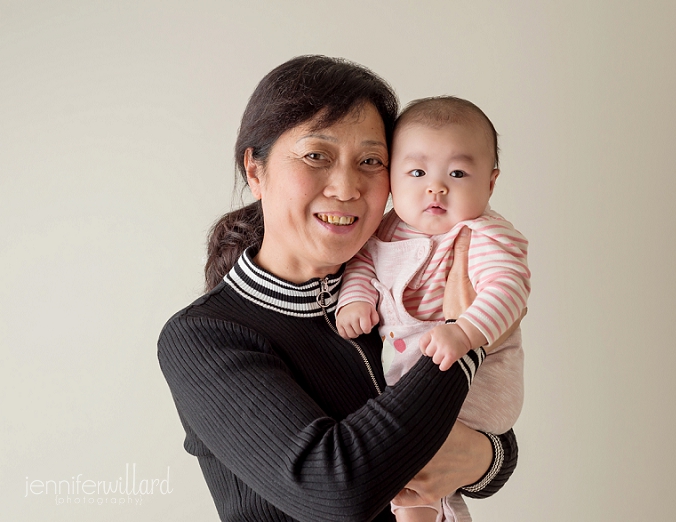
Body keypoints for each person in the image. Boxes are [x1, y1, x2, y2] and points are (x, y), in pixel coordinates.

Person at [157, 55, 519, 522]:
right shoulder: (204, 337)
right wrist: (464, 341)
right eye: (316, 156)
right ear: (255, 171)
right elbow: (337, 491)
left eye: (371, 161)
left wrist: (485, 458)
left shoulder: (387, 293)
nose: (347, 187)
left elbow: (490, 438)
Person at [336, 97, 529, 522]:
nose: (435, 187)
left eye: (457, 173)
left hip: (478, 378)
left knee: (418, 457)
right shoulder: (386, 227)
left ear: (491, 184)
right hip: (408, 371)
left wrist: (465, 331)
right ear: (392, 179)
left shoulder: (482, 234)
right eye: (417, 172)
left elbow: (509, 289)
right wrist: (355, 297)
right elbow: (364, 264)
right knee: (411, 469)